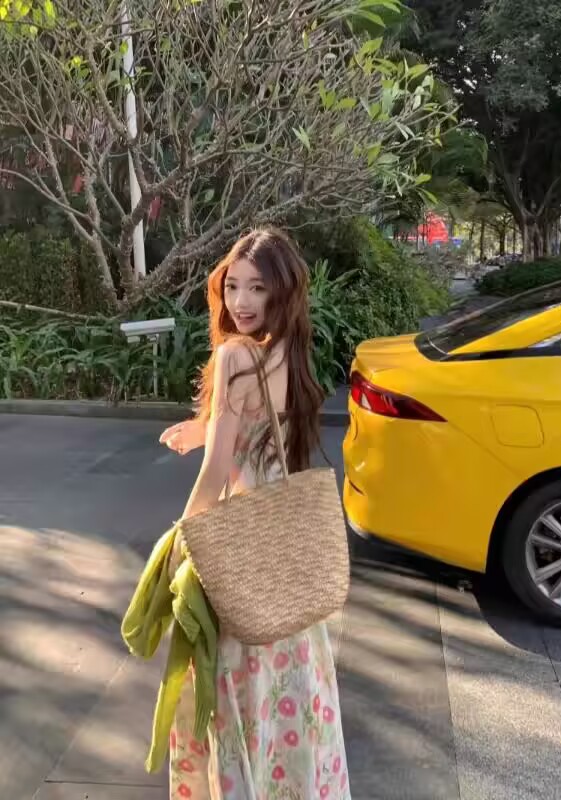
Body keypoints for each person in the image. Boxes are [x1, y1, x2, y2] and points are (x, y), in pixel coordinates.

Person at [159, 227, 351, 800]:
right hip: (285, 557)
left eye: (257, 288)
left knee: (233, 696)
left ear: (281, 290)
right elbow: (265, 432)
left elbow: (218, 471)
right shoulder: (289, 350)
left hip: (243, 553)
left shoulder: (233, 356)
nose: (241, 302)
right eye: (233, 286)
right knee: (291, 698)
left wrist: (180, 539)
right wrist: (206, 427)